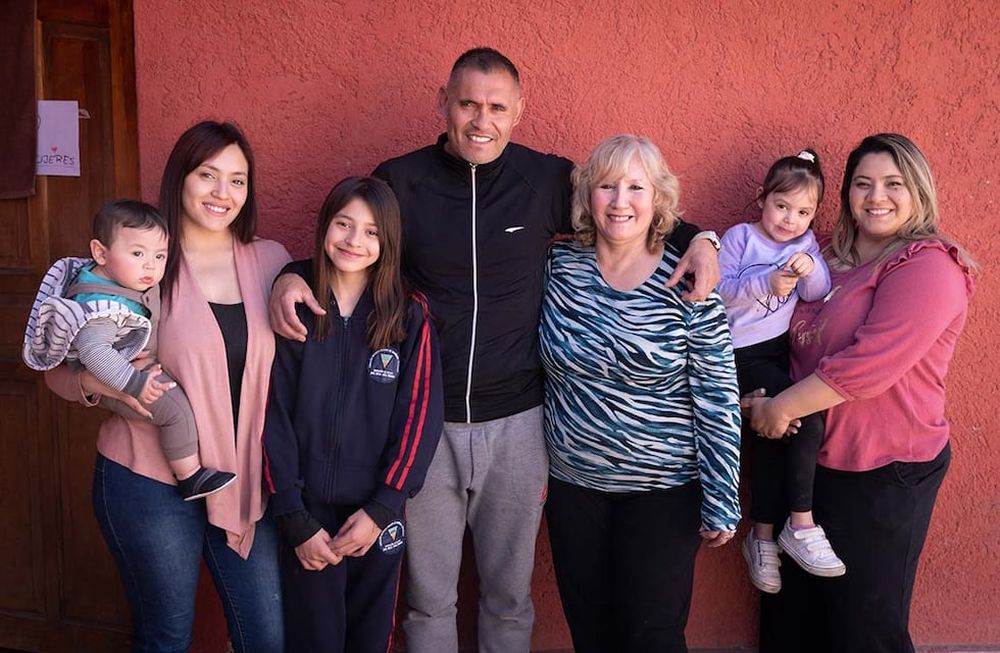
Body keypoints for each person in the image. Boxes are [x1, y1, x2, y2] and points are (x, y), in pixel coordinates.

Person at [269, 48, 722, 653]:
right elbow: (353, 246)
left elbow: (624, 208)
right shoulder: (401, 179)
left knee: (508, 597)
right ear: (444, 104)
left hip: (519, 423)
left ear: (518, 111)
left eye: (497, 108)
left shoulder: (546, 179)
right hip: (427, 424)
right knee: (428, 599)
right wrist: (291, 274)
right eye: (468, 104)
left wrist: (702, 239)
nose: (482, 121)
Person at [45, 121, 289, 652]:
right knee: (167, 639)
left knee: (265, 640)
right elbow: (55, 370)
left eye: (238, 180)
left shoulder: (272, 262)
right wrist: (102, 384)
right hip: (148, 480)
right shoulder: (139, 260)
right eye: (207, 175)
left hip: (242, 480)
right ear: (180, 177)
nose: (223, 192)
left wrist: (295, 277)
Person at [746, 133, 975, 653]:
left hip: (882, 472)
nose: (876, 197)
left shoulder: (928, 266)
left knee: (862, 628)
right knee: (790, 625)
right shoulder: (824, 257)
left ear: (919, 190)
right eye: (863, 184)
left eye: (894, 184)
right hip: (806, 464)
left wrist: (778, 409)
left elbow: (868, 367)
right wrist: (755, 398)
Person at [539, 134, 741, 653]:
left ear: (658, 198)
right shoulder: (559, 267)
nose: (620, 201)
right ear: (588, 194)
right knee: (590, 631)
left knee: (652, 635)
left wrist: (722, 495)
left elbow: (717, 395)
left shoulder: (688, 278)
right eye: (607, 186)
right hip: (574, 487)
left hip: (663, 490)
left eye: (636, 187)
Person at [262, 176, 444, 652]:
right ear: (325, 225)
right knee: (314, 638)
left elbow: (419, 419)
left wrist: (383, 507)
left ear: (388, 241)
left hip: (375, 513)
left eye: (371, 231)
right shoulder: (296, 309)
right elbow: (271, 415)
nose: (354, 240)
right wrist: (293, 515)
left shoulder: (406, 314)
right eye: (344, 224)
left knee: (370, 636)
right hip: (307, 514)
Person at [24, 199, 236, 501]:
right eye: (138, 253)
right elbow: (95, 352)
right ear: (100, 253)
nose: (151, 265)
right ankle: (190, 476)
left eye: (160, 255)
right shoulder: (102, 307)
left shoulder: (120, 280)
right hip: (121, 379)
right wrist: (134, 384)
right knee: (176, 412)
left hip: (126, 373)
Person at [717, 150, 843, 594]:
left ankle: (763, 536)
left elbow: (818, 291)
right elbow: (717, 291)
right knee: (804, 417)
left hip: (774, 356)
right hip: (735, 353)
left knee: (775, 433)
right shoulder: (740, 237)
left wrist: (810, 268)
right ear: (761, 199)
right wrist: (765, 283)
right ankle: (801, 524)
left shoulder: (804, 245)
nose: (791, 220)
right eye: (782, 206)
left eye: (803, 212)